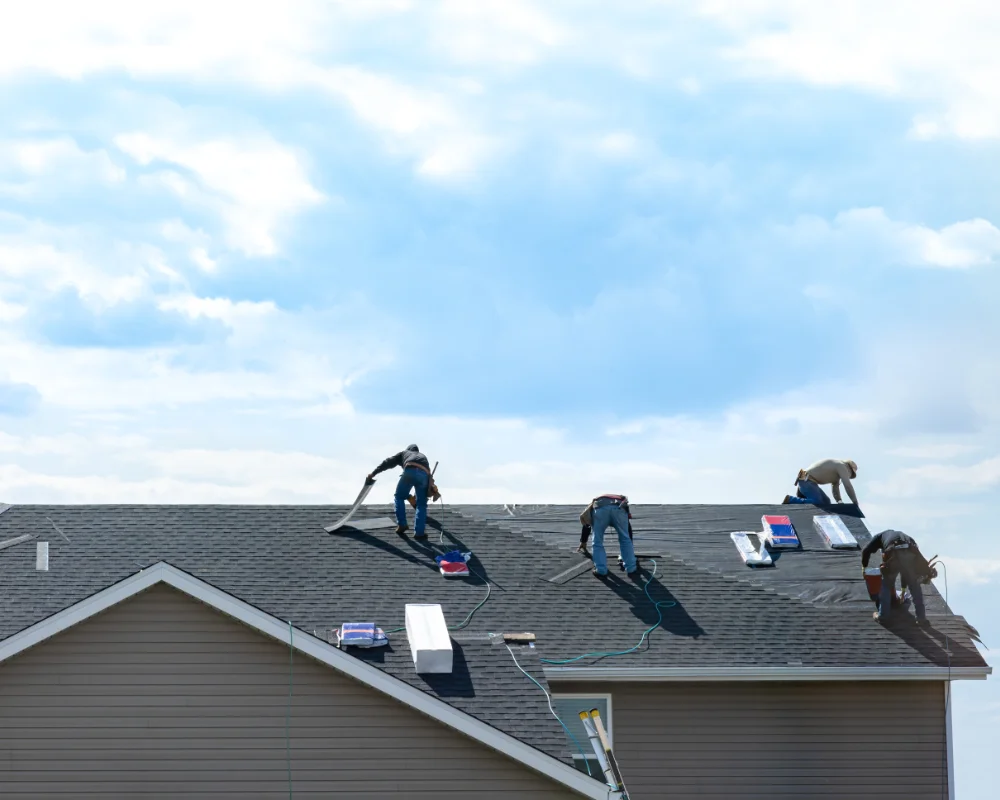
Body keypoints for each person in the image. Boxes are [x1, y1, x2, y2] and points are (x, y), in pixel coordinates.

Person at [861, 529, 933, 626]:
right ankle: (921, 619)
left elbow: (866, 550)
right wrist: (903, 590)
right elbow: (905, 571)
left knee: (886, 584)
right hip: (910, 556)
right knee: (915, 586)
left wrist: (864, 567)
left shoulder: (879, 537)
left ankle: (883, 616)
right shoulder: (907, 538)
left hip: (893, 556)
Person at [368, 444, 436, 540]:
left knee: (399, 497)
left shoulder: (404, 453)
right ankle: (419, 533)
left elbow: (387, 462)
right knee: (421, 505)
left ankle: (402, 524)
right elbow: (426, 476)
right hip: (424, 475)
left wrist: (373, 473)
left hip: (409, 470)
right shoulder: (422, 456)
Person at [579, 494, 638, 577]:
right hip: (619, 508)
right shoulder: (621, 500)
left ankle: (601, 570)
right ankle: (631, 568)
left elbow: (587, 522)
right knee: (625, 538)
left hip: (600, 509)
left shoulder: (595, 503)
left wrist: (583, 541)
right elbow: (628, 530)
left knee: (597, 541)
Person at [783, 458, 859, 506]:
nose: (849, 476)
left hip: (808, 482)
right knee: (818, 502)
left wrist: (839, 502)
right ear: (849, 468)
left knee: (826, 502)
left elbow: (835, 488)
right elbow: (848, 486)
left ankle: (802, 503)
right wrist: (855, 502)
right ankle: (791, 500)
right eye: (851, 474)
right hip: (806, 481)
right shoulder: (841, 466)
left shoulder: (836, 471)